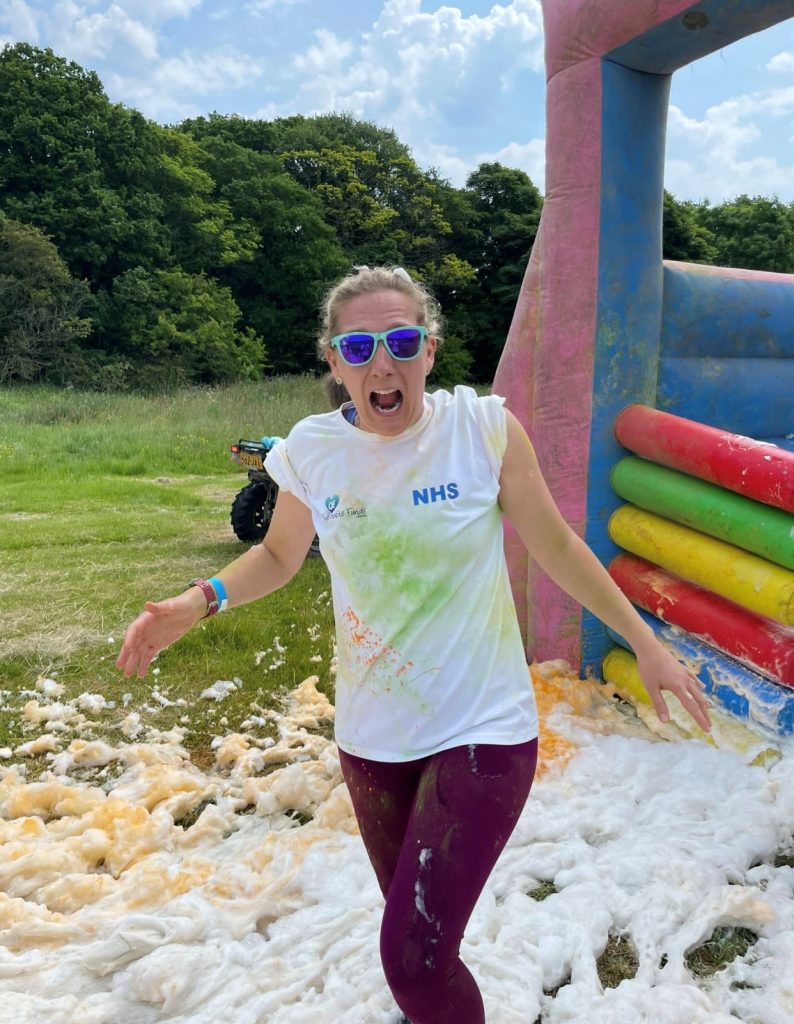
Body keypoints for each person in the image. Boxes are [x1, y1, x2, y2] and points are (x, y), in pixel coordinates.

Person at [116, 265, 711, 1024]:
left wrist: (642, 640)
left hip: (483, 729)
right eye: (359, 348)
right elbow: (277, 556)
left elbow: (557, 545)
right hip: (373, 740)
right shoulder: (312, 450)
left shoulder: (482, 429)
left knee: (413, 963)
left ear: (430, 350)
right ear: (333, 364)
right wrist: (198, 602)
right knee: (422, 945)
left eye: (401, 341)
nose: (382, 364)